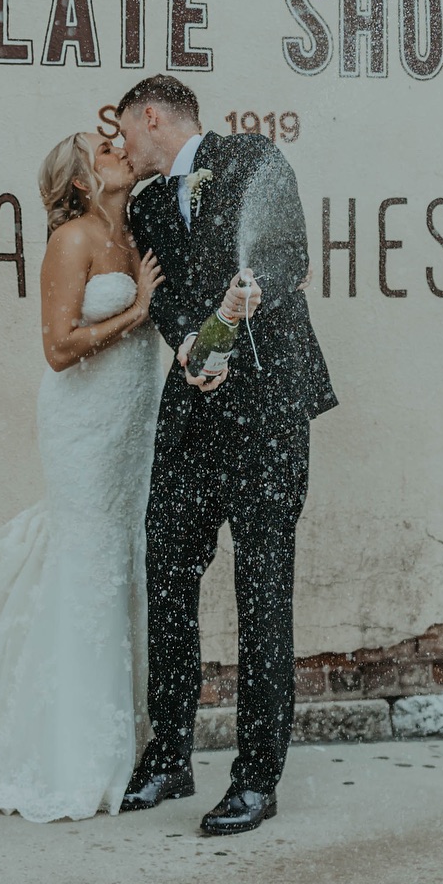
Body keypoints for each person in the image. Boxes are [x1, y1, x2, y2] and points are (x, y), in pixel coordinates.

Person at [116, 76, 336, 836]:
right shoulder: (144, 206)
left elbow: (287, 249)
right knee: (168, 571)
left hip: (269, 405)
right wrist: (187, 342)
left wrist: (252, 292)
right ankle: (168, 754)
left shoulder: (250, 156)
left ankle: (256, 776)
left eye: (124, 132)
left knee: (262, 585)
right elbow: (169, 297)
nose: (122, 148)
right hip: (191, 412)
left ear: (151, 116)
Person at [0, 131, 164, 820]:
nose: (121, 149)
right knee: (85, 561)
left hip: (133, 422)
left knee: (121, 564)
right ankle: (63, 751)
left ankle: (120, 742)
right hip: (82, 425)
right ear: (79, 182)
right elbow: (59, 347)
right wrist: (137, 311)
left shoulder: (136, 233)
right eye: (105, 148)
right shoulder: (71, 241)